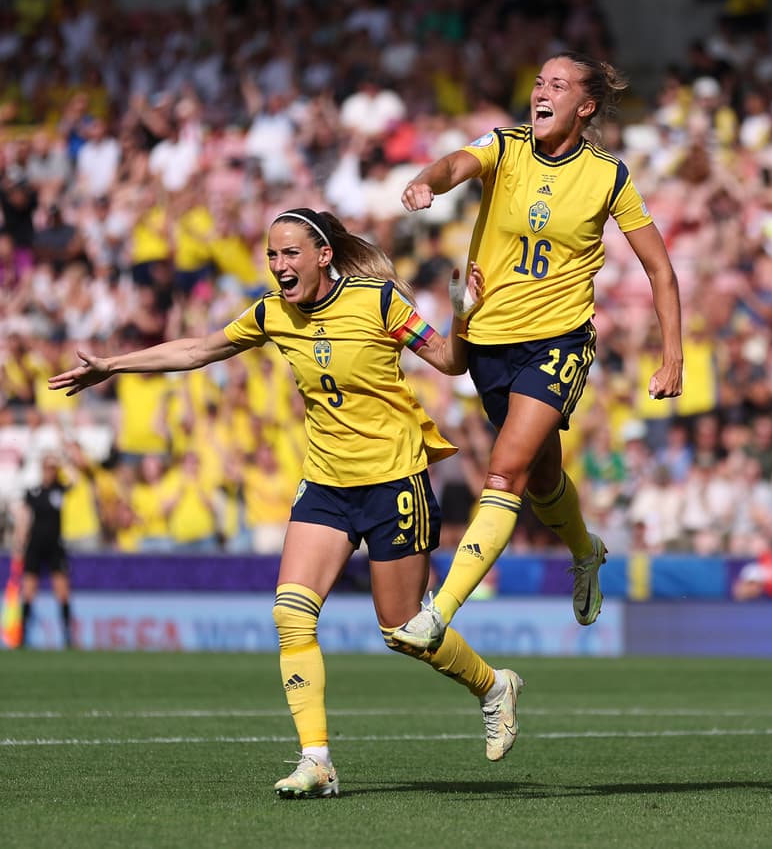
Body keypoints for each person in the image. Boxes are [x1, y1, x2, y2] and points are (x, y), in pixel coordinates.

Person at [49, 208, 522, 798]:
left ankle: (492, 685)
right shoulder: (272, 312)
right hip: (325, 483)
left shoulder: (378, 302)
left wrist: (462, 312)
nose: (279, 266)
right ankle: (316, 760)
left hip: (394, 481)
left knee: (405, 632)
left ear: (324, 256)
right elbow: (198, 349)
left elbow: (451, 362)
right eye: (272, 256)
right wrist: (113, 366)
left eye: (290, 254)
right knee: (291, 615)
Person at [393, 52, 683, 651]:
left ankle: (439, 610)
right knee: (543, 476)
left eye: (558, 84)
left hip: (557, 342)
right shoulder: (505, 145)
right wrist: (427, 180)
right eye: (538, 81)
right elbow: (457, 162)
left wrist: (672, 354)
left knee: (504, 471)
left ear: (586, 106)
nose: (541, 91)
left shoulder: (609, 176)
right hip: (488, 341)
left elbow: (660, 270)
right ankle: (586, 550)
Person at [14, 454, 74, 649]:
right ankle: (22, 635)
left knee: (62, 591)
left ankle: (67, 636)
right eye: (47, 468)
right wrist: (19, 545)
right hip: (35, 547)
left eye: (52, 468)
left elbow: (76, 479)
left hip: (55, 547)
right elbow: (24, 520)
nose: (50, 472)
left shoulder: (60, 490)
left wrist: (62, 462)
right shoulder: (33, 492)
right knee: (29, 590)